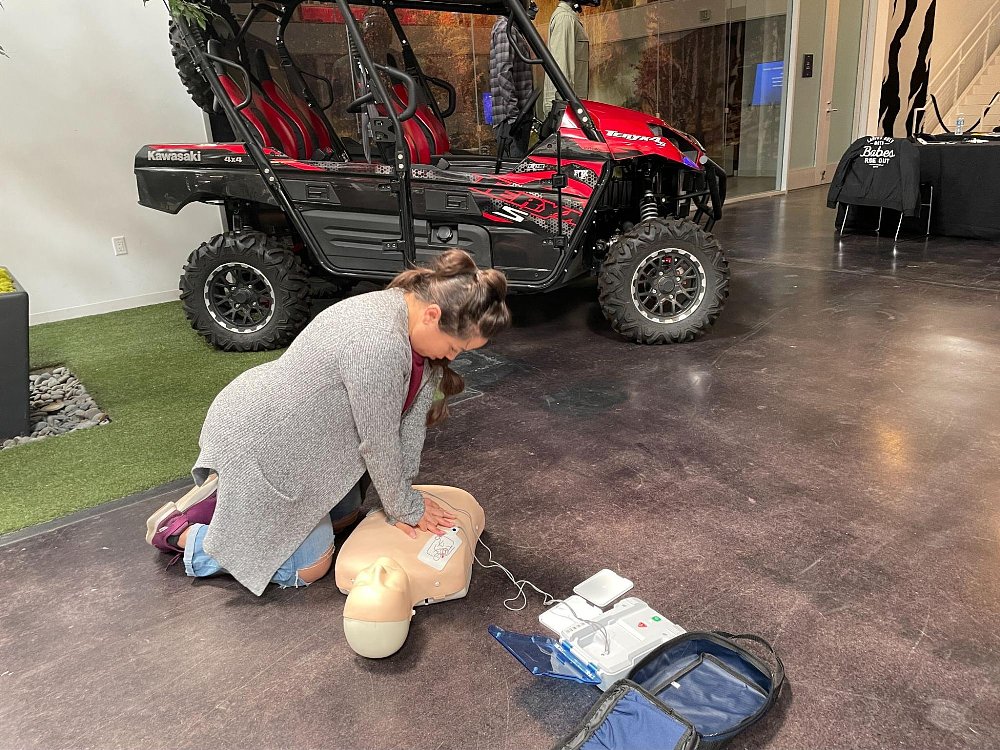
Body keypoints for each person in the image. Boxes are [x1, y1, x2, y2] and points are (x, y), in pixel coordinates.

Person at [145, 250, 511, 596]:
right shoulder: (378, 343)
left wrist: (405, 496)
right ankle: (183, 533)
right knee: (311, 566)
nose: (452, 356)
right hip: (262, 440)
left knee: (346, 516)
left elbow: (410, 423)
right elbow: (379, 441)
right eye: (455, 347)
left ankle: (232, 500)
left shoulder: (410, 314)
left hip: (307, 441)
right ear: (433, 315)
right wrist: (405, 508)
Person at [489, 0, 538, 160]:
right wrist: (513, 116)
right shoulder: (505, 29)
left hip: (518, 114)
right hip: (511, 120)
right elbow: (504, 74)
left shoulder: (514, 28)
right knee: (512, 170)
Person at [542, 0, 592, 115]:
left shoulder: (569, 17)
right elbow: (561, 67)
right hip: (566, 110)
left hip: (568, 108)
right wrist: (563, 110)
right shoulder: (565, 18)